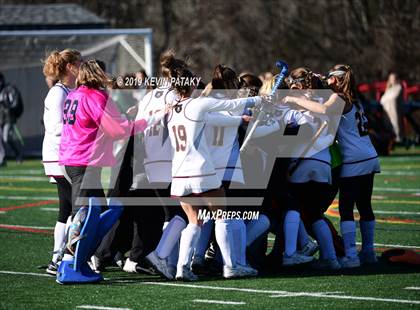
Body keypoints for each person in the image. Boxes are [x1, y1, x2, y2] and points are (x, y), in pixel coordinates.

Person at [57, 60, 154, 283]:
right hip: (84, 162)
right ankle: (69, 265)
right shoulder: (94, 95)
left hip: (74, 159)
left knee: (99, 214)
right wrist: (143, 122)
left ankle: (83, 260)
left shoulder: (76, 94)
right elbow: (117, 130)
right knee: (83, 217)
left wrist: (126, 118)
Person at [166, 65, 263, 281]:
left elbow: (214, 119)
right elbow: (232, 103)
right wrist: (258, 100)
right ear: (191, 83)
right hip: (200, 169)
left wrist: (239, 120)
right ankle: (231, 266)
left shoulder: (172, 109)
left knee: (194, 222)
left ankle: (183, 268)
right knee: (222, 217)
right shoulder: (199, 103)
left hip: (179, 173)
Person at [283, 64, 380, 268]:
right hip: (369, 155)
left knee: (346, 208)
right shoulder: (353, 97)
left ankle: (351, 256)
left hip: (353, 158)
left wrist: (295, 98)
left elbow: (325, 109)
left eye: (329, 77)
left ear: (335, 79)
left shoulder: (338, 98)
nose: (325, 79)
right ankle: (369, 252)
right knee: (365, 206)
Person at [41, 49, 82, 275]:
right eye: (80, 63)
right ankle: (59, 258)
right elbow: (56, 127)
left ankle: (58, 256)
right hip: (59, 156)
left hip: (64, 155)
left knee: (66, 208)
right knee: (70, 207)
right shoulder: (58, 93)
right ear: (70, 67)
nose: (82, 66)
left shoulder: (68, 90)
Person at [0, 72, 24, 166]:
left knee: (6, 138)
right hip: (0, 119)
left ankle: (18, 155)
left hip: (8, 118)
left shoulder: (9, 89)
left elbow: (14, 102)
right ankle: (2, 159)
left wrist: (8, 107)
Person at [380, 72, 404, 143]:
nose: (393, 80)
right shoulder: (388, 90)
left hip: (394, 111)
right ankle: (389, 140)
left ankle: (398, 139)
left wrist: (386, 99)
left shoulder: (399, 87)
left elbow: (393, 98)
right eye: (391, 78)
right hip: (387, 112)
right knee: (387, 126)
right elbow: (382, 100)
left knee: (395, 125)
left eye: (394, 78)